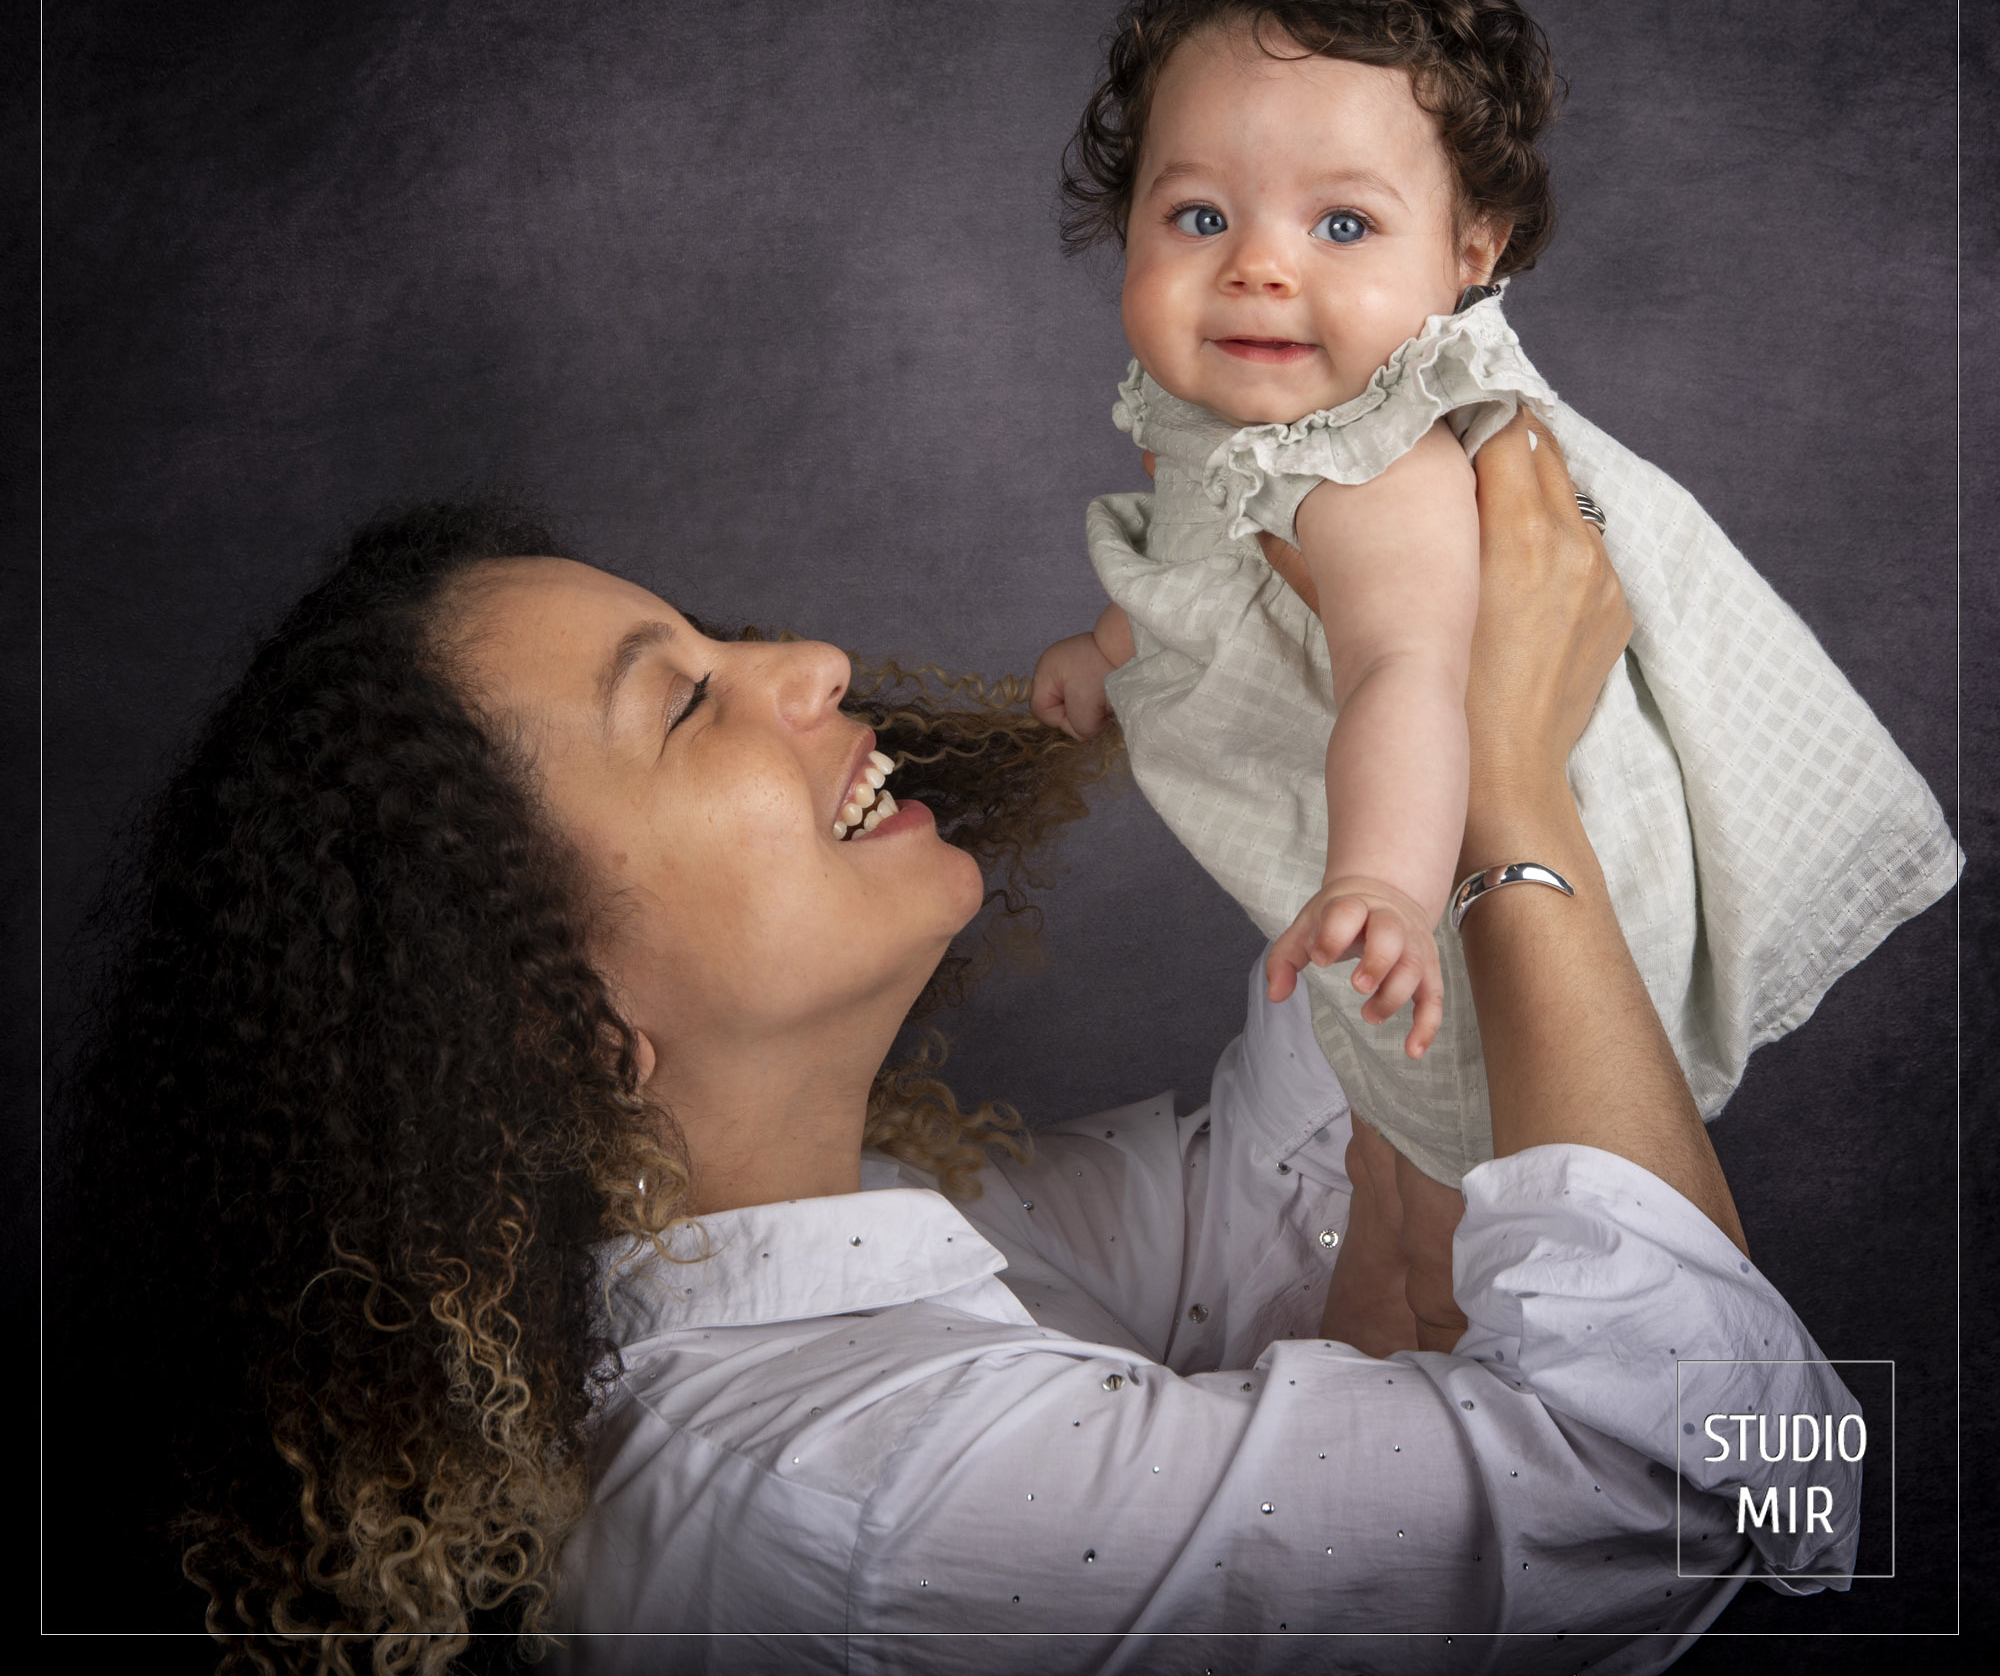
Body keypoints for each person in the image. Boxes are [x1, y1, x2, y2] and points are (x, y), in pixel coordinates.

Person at [57, 420, 1863, 1675]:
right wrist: (1512, 789)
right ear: (558, 1017)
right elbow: (1712, 1474)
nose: (812, 661)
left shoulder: (856, 1238)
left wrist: (1371, 714)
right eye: (683, 700)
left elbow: (1277, 1204)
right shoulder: (874, 1510)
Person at [1030, 0, 1957, 1213]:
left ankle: (1416, 1340)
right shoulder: (1256, 425)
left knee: (1459, 1208)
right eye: (1197, 212)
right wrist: (1106, 647)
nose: (1256, 266)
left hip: (1475, 856)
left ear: (1469, 256)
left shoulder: (1381, 462)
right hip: (1424, 842)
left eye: (1342, 226)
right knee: (1400, 1190)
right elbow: (1212, 558)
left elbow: (1407, 669)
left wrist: (1382, 885)